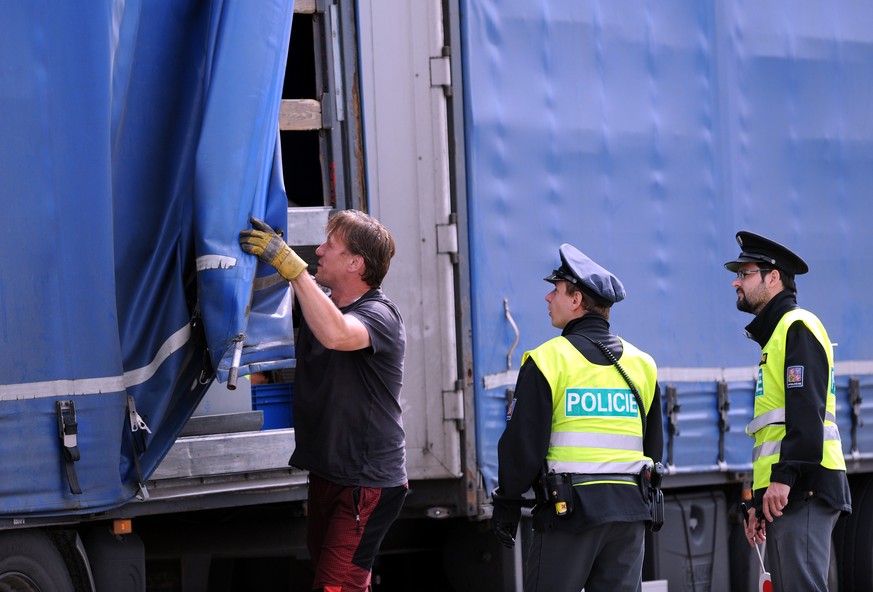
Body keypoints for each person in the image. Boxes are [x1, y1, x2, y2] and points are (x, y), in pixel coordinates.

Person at [239, 210, 407, 592]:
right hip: (330, 477)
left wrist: (294, 270)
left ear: (355, 263)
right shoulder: (321, 306)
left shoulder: (380, 315)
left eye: (329, 245)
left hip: (366, 483)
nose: (317, 251)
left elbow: (337, 334)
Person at [491, 243, 664, 592]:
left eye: (555, 290)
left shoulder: (547, 360)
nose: (547, 298)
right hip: (629, 514)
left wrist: (507, 502)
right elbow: (655, 448)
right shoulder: (642, 364)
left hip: (569, 516)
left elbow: (524, 445)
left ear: (576, 301)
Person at [725, 231, 851, 592]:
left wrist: (783, 479)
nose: (736, 281)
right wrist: (758, 501)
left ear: (773, 277)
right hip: (789, 493)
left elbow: (806, 414)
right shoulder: (777, 335)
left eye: (745, 273)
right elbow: (774, 430)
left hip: (804, 488)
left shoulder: (797, 327)